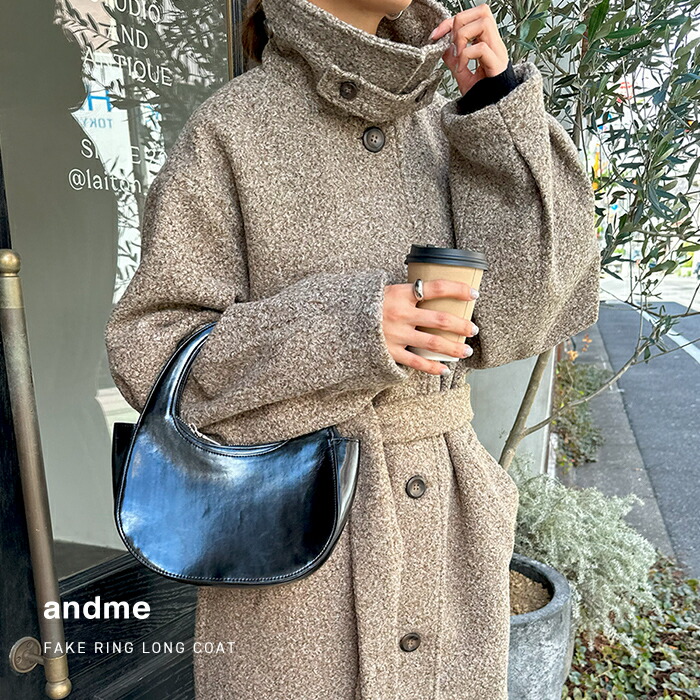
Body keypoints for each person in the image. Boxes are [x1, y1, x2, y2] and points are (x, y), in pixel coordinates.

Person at [103, 0, 601, 698]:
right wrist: (344, 327)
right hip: (295, 554)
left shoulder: (442, 121)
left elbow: (524, 316)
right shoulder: (233, 129)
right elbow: (151, 349)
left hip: (448, 531)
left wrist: (495, 111)